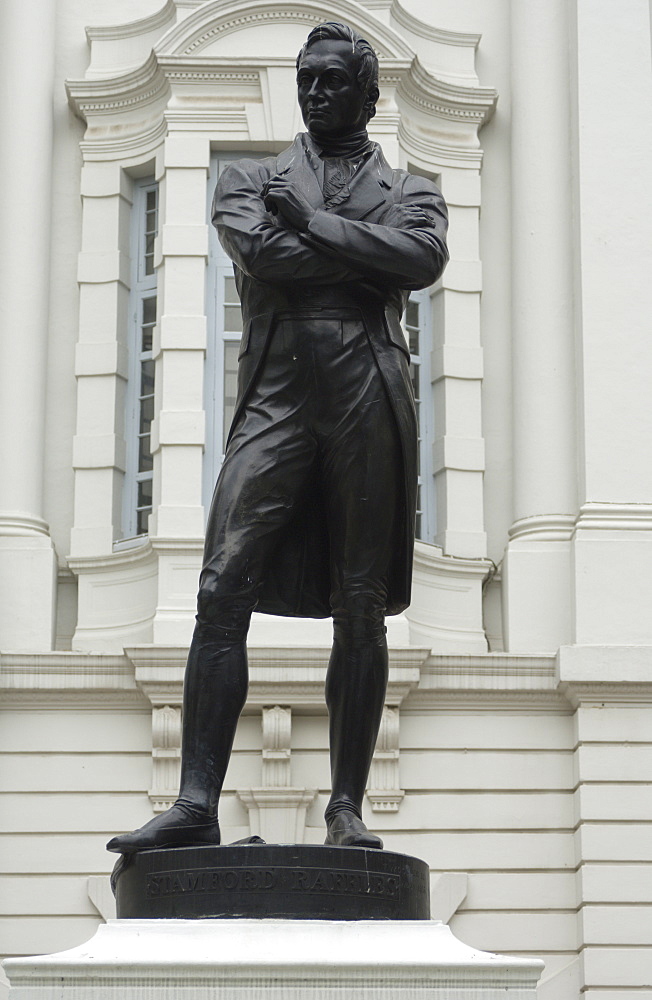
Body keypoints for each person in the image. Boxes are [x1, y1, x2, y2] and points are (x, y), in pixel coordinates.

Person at [108, 20, 448, 855]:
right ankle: (195, 801)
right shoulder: (253, 179)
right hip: (278, 394)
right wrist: (365, 258)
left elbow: (423, 258)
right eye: (306, 78)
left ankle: (346, 806)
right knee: (221, 583)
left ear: (369, 94)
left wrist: (317, 227)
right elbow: (265, 257)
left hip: (368, 392)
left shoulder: (412, 188)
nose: (314, 91)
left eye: (332, 80)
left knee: (360, 604)